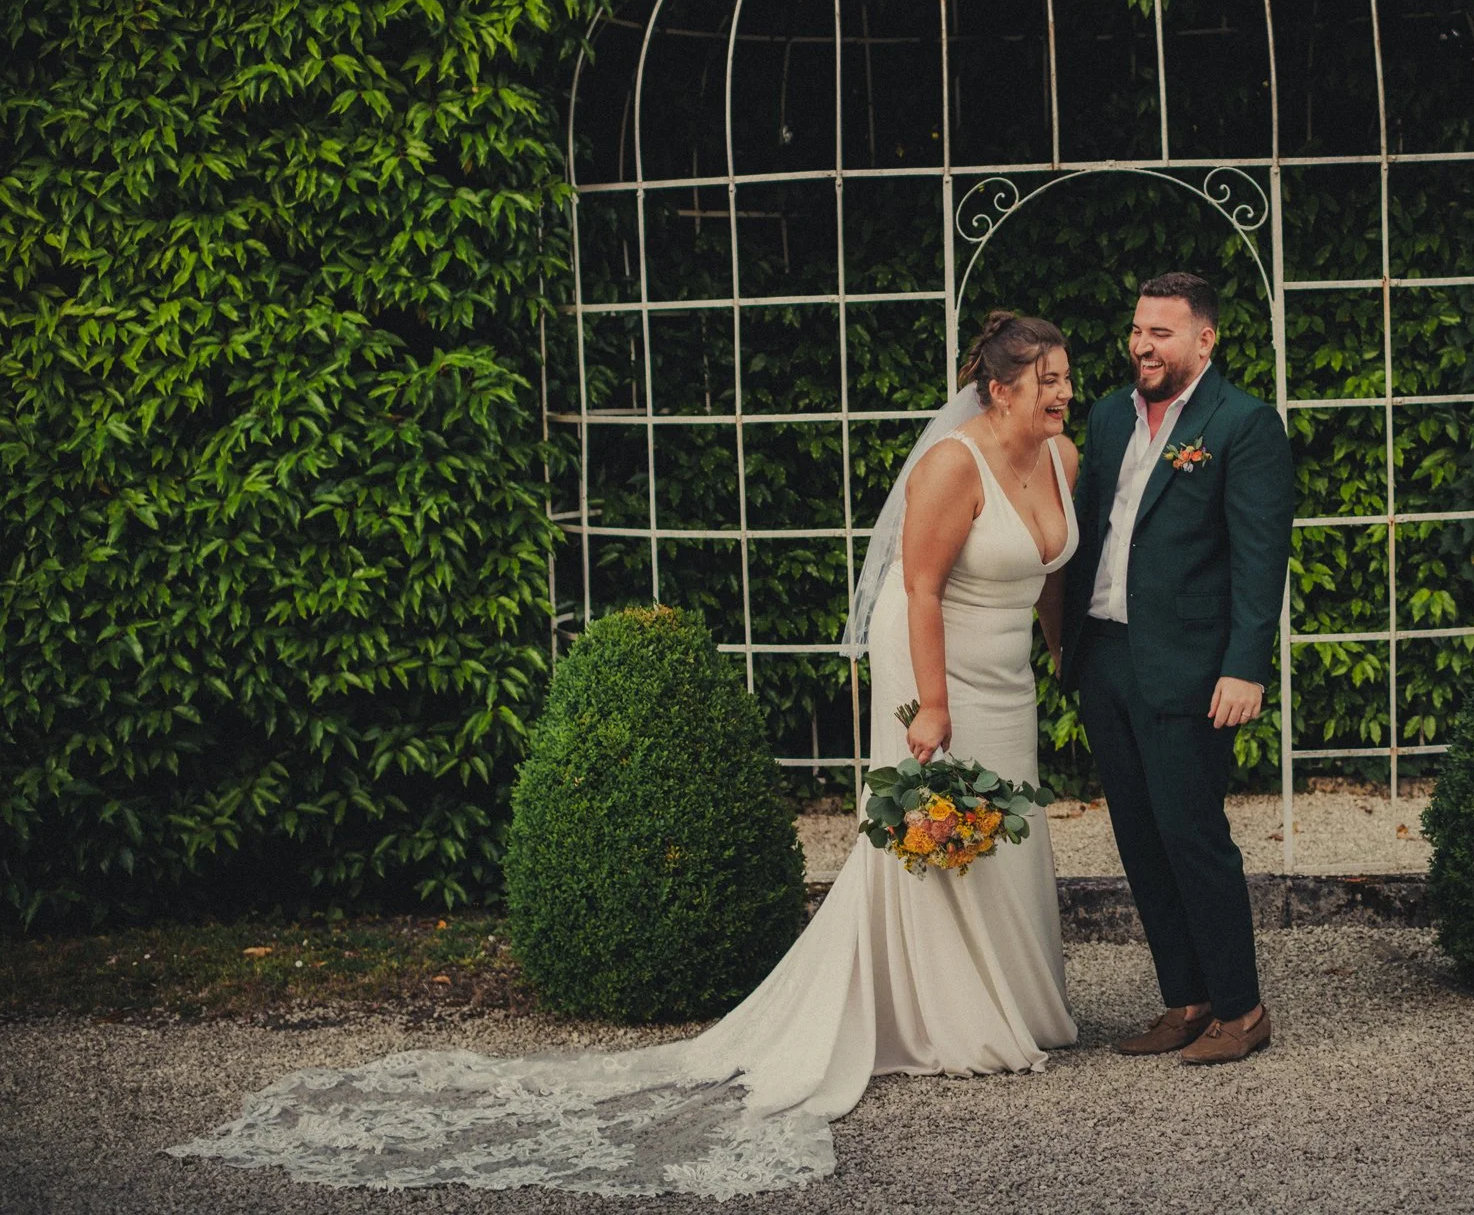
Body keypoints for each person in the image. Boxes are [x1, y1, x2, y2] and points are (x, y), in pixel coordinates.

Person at [166, 312, 1082, 1200]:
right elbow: (918, 588)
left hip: (1008, 674)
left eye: (1067, 378)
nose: (1065, 394)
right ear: (997, 390)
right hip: (935, 662)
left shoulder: (1062, 458)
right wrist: (930, 706)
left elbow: (1047, 574)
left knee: (1008, 819)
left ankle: (1023, 997)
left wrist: (1063, 655)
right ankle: (955, 1017)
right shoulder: (949, 467)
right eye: (1049, 381)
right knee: (937, 825)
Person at [1061, 272, 1295, 1066]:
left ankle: (1242, 1007)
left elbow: (1261, 560)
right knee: (1139, 839)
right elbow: (1087, 528)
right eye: (1137, 329)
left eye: (1161, 332)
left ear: (1206, 339)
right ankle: (1186, 1000)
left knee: (1193, 835)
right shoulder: (1104, 417)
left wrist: (1245, 667)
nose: (1142, 345)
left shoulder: (1244, 425)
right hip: (1106, 657)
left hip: (1192, 667)